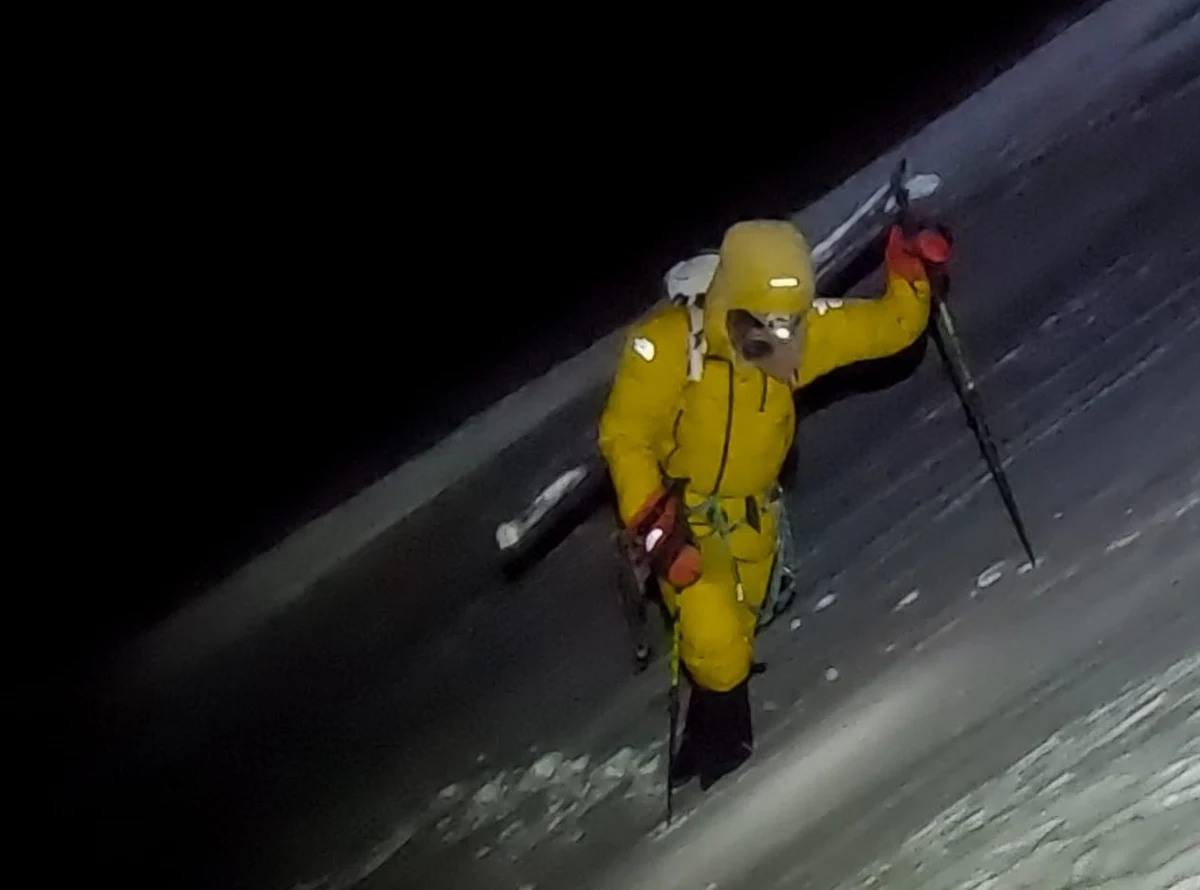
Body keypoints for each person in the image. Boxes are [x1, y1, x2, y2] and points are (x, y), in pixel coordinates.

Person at [597, 218, 951, 789]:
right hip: (686, 516)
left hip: (756, 516)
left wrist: (909, 274)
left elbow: (886, 328)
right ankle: (733, 757)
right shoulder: (668, 344)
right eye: (769, 321)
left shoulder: (793, 338)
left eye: (791, 320)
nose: (783, 335)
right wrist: (657, 530)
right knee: (711, 622)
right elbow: (625, 434)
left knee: (734, 631)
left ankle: (703, 732)